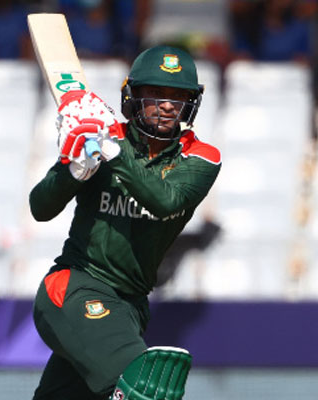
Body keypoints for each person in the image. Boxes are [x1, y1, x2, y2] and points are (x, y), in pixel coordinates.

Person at [29, 45, 221, 400]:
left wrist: (112, 150)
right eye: (156, 93)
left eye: (177, 96)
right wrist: (75, 170)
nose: (167, 105)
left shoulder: (200, 157)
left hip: (129, 307)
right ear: (133, 96)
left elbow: (165, 201)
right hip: (75, 288)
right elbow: (40, 207)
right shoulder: (98, 138)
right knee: (144, 389)